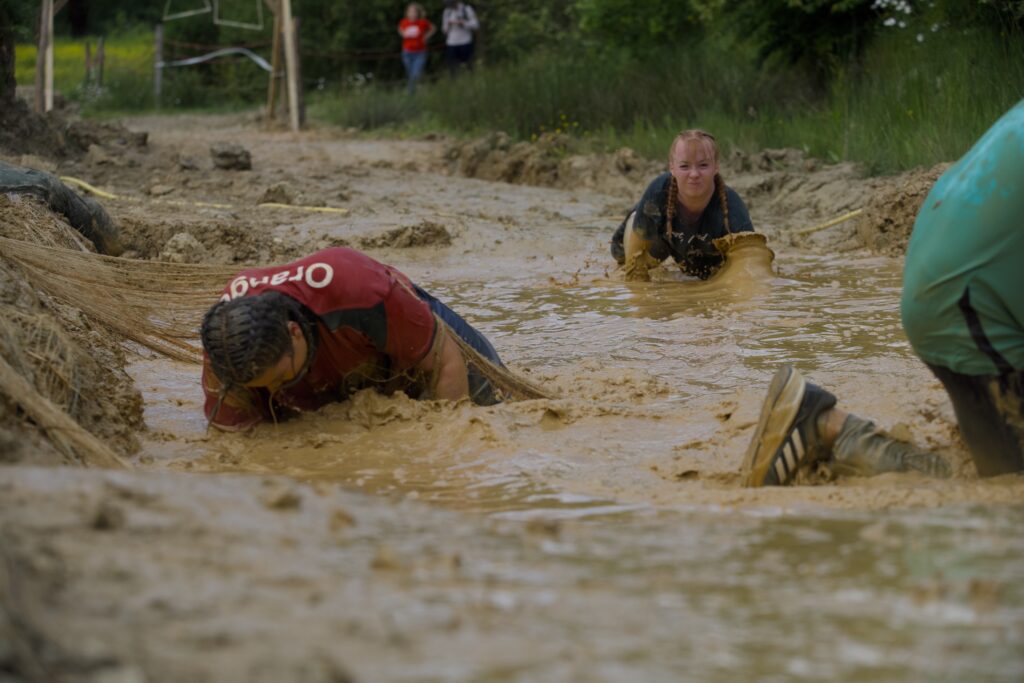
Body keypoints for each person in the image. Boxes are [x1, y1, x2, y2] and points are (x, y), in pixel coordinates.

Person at [743, 100, 1024, 486]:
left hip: (941, 262)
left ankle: (830, 428)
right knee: (1006, 490)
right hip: (970, 298)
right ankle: (833, 431)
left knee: (997, 468)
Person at [200, 247, 504, 431]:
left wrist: (448, 447)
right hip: (329, 359)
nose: (273, 391)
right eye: (263, 386)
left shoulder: (358, 289)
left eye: (279, 378)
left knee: (498, 401)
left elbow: (445, 359)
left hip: (391, 324)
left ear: (294, 332)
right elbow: (232, 438)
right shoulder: (227, 343)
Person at [610, 129, 758, 282]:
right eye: (684, 166)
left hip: (707, 254)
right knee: (628, 263)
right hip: (663, 238)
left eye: (703, 165)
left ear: (716, 167)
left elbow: (752, 271)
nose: (694, 174)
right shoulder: (657, 193)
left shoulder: (733, 209)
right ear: (672, 168)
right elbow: (635, 279)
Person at [397, 3, 435, 95]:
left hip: (420, 52)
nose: (412, 13)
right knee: (410, 74)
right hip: (407, 52)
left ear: (417, 13)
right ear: (407, 13)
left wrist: (426, 36)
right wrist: (402, 34)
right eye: (410, 11)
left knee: (415, 74)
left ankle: (410, 93)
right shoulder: (404, 22)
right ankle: (417, 90)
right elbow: (400, 28)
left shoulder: (422, 22)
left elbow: (433, 28)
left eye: (414, 11)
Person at [442, 0, 479, 77]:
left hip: (465, 42)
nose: (451, 6)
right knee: (453, 70)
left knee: (469, 67)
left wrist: (463, 23)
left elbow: (476, 25)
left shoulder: (466, 9)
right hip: (451, 44)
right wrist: (448, 25)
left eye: (452, 4)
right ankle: (455, 85)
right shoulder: (447, 12)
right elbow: (444, 30)